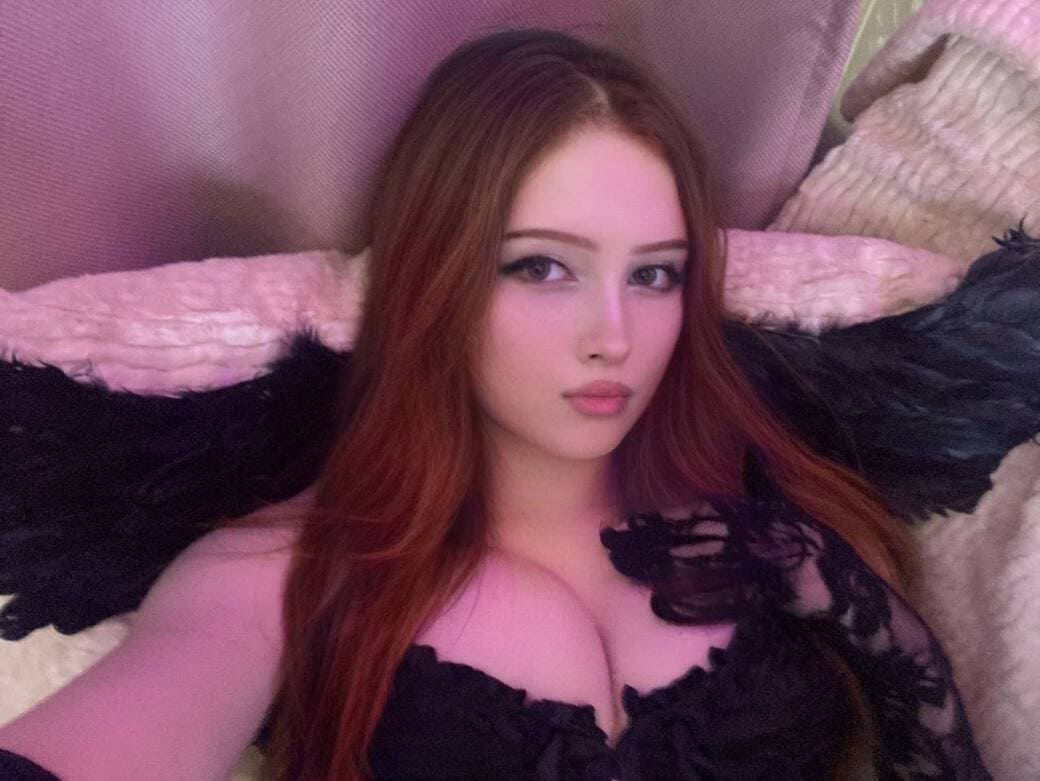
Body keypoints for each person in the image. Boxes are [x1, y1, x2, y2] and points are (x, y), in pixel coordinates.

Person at [0, 26, 991, 781]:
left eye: (654, 274)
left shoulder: (782, 526)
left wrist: (854, 604)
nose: (611, 333)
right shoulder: (278, 579)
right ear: (435, 278)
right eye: (541, 267)